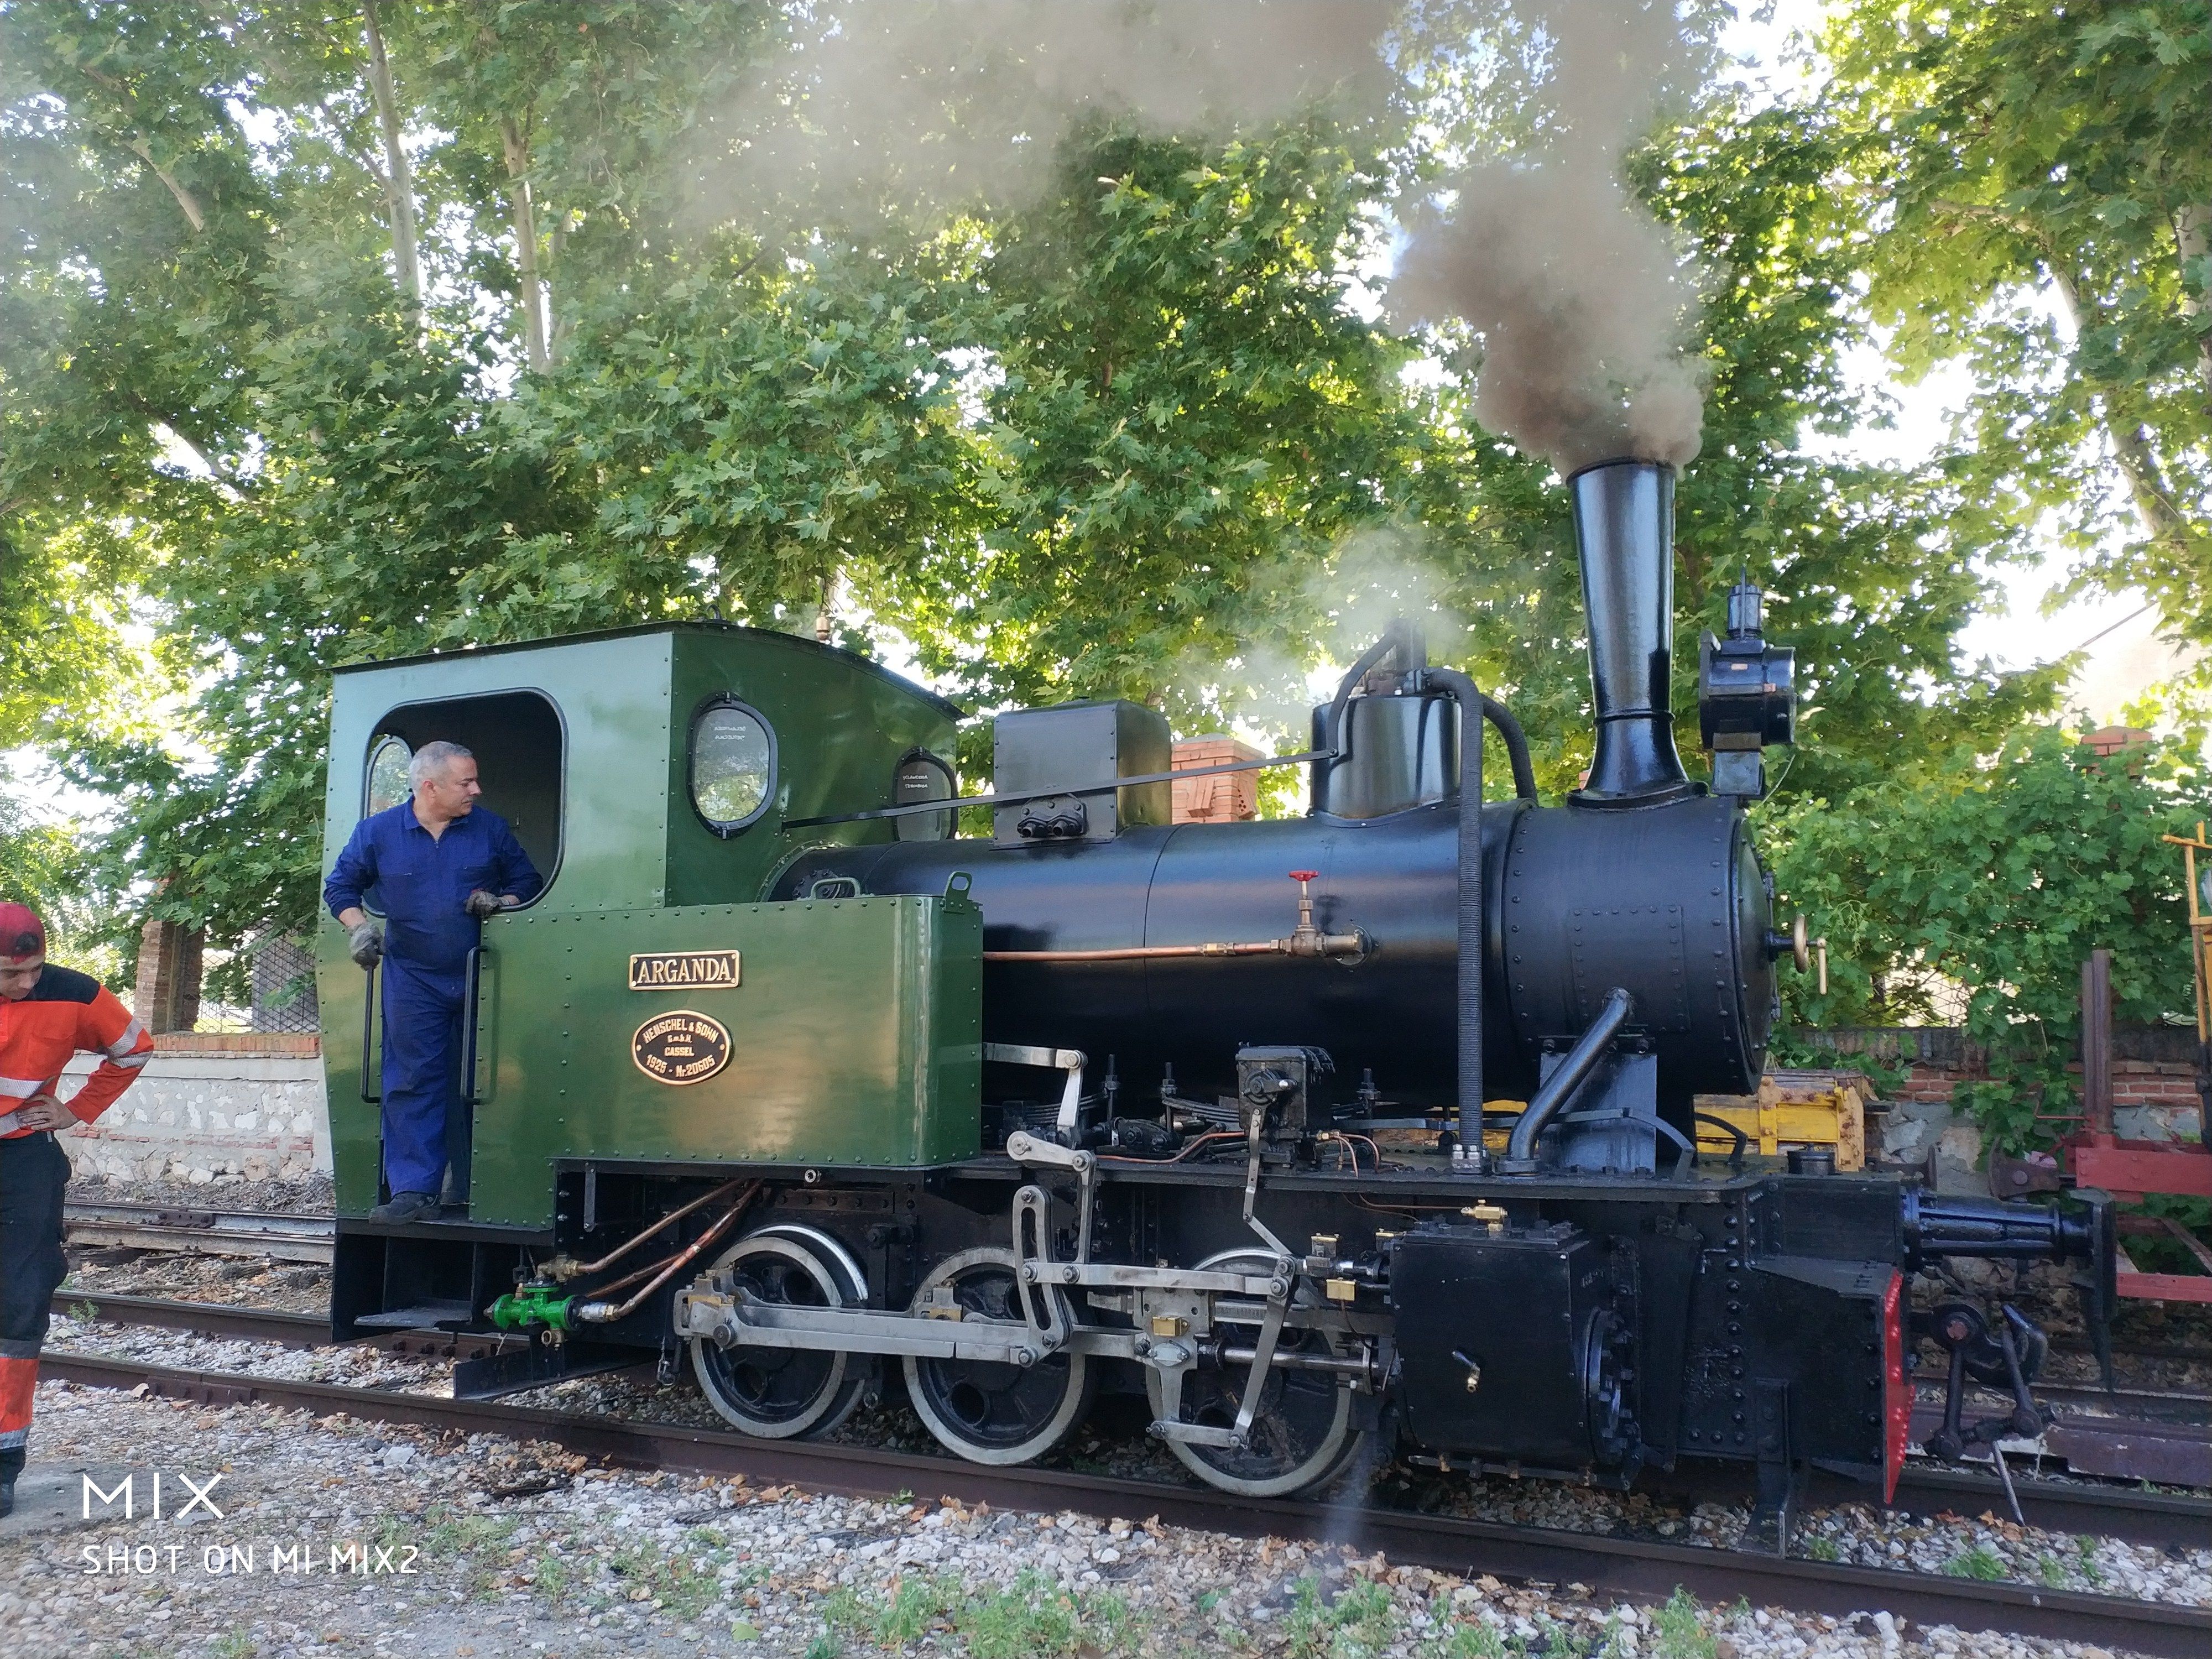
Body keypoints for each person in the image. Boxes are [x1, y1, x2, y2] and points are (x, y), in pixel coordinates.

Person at [325, 740, 541, 1222]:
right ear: (430, 786)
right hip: (412, 977)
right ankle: (414, 1190)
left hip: (483, 972)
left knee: (483, 1078)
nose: (476, 790)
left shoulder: (489, 828)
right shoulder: (377, 832)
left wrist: (501, 903)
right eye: (466, 782)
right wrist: (359, 928)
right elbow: (339, 887)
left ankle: (474, 1187)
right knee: (412, 1079)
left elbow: (527, 881)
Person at [0, 901, 155, 1518]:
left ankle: (4, 1460)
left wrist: (75, 1108)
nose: (26, 984)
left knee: (20, 1302)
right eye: (11, 975)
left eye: (33, 970)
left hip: (23, 1162)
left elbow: (133, 1049)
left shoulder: (77, 995)